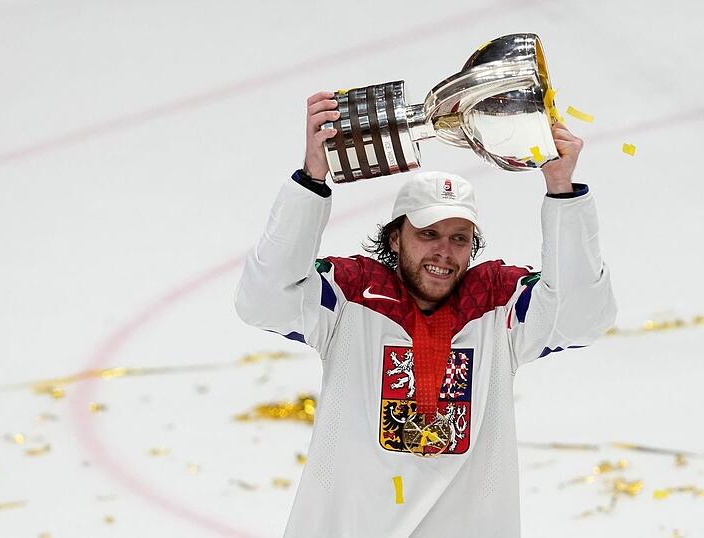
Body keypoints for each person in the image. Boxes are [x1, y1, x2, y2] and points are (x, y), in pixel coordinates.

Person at [235, 91, 617, 537]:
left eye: (459, 238)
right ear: (395, 239)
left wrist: (562, 189)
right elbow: (263, 299)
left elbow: (584, 315)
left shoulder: (498, 306)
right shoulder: (350, 298)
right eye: (428, 233)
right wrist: (311, 179)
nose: (444, 251)